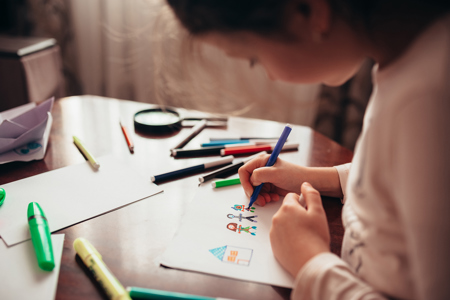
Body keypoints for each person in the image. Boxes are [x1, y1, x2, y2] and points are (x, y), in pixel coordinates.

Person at [165, 0, 450, 299]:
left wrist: (310, 262)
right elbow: (397, 178)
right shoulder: (408, 62)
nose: (270, 75)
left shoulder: (431, 100)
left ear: (309, 11)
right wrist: (314, 178)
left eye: (254, 58)